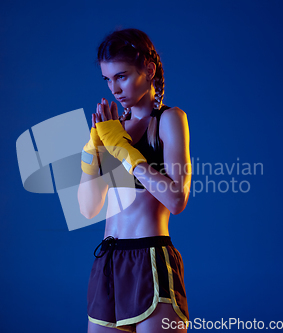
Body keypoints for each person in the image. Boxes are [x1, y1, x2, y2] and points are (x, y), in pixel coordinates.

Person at [78, 28, 191, 333]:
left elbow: (176, 199)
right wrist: (94, 151)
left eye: (122, 76)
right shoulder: (114, 128)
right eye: (107, 79)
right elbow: (88, 210)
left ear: (149, 71)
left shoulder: (168, 120)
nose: (114, 88)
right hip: (108, 263)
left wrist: (124, 150)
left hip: (151, 259)